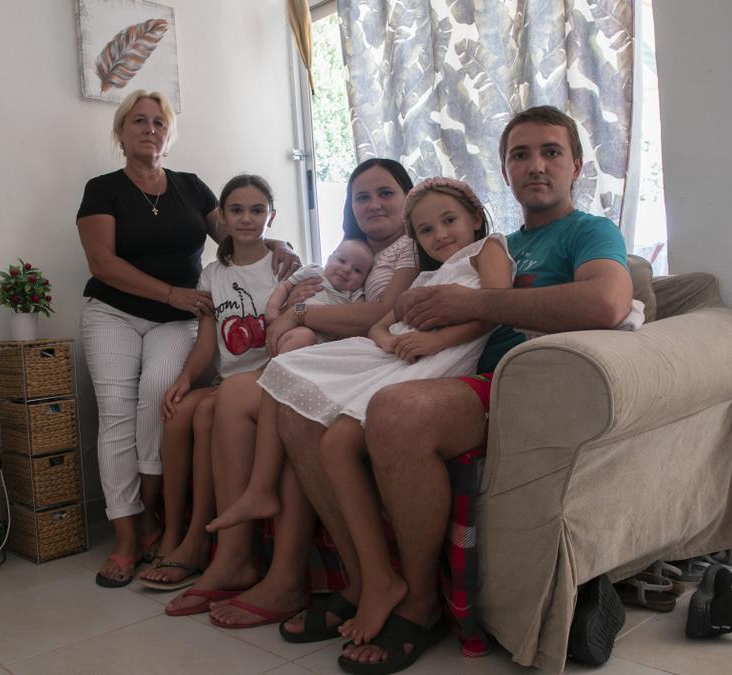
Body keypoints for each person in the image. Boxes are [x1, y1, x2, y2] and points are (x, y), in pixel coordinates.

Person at [279, 105, 634, 673]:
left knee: (397, 411)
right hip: (448, 367)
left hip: (510, 383)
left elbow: (608, 303)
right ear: (505, 169)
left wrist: (471, 305)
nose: (535, 165)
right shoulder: (488, 242)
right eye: (520, 154)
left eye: (550, 152)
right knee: (300, 408)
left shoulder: (588, 230)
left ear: (576, 165)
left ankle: (420, 603)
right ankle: (364, 580)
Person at [259, 177, 512, 658]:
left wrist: (436, 340)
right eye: (425, 230)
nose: (439, 235)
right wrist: (384, 341)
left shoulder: (487, 251)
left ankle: (397, 591)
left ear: (476, 218)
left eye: (449, 221)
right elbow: (381, 322)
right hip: (397, 357)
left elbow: (495, 308)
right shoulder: (426, 277)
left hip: (440, 361)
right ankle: (374, 579)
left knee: (339, 435)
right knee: (299, 389)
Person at [162, 159, 419, 626]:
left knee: (249, 397)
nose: (374, 204)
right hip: (335, 357)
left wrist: (300, 318)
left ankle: (283, 576)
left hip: (359, 365)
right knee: (237, 395)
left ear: (409, 198)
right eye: (362, 196)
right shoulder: (355, 253)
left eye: (386, 193)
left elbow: (385, 312)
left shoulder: (410, 249)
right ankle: (234, 557)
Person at [77, 90, 298, 588]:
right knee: (115, 409)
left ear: (168, 133)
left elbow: (237, 235)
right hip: (113, 311)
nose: (149, 129)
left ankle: (154, 517)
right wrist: (172, 293)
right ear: (121, 132)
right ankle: (127, 539)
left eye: (159, 121)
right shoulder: (102, 189)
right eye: (138, 120)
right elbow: (102, 264)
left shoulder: (190, 188)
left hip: (178, 319)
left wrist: (278, 243)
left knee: (161, 392)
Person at [136, 174, 281, 591]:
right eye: (237, 210)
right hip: (228, 378)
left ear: (271, 215)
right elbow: (207, 342)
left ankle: (199, 538)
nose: (247, 219)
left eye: (257, 210)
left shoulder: (283, 264)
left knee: (204, 415)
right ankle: (174, 531)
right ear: (221, 216)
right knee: (178, 408)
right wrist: (182, 379)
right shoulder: (212, 274)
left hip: (266, 381)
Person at [202, 238, 374, 534]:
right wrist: (273, 312)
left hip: (324, 351)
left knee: (304, 345)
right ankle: (276, 373)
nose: (346, 271)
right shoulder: (313, 272)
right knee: (300, 339)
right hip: (294, 335)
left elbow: (362, 323)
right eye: (342, 261)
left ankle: (274, 376)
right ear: (329, 255)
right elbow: (282, 289)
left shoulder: (355, 296)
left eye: (357, 270)